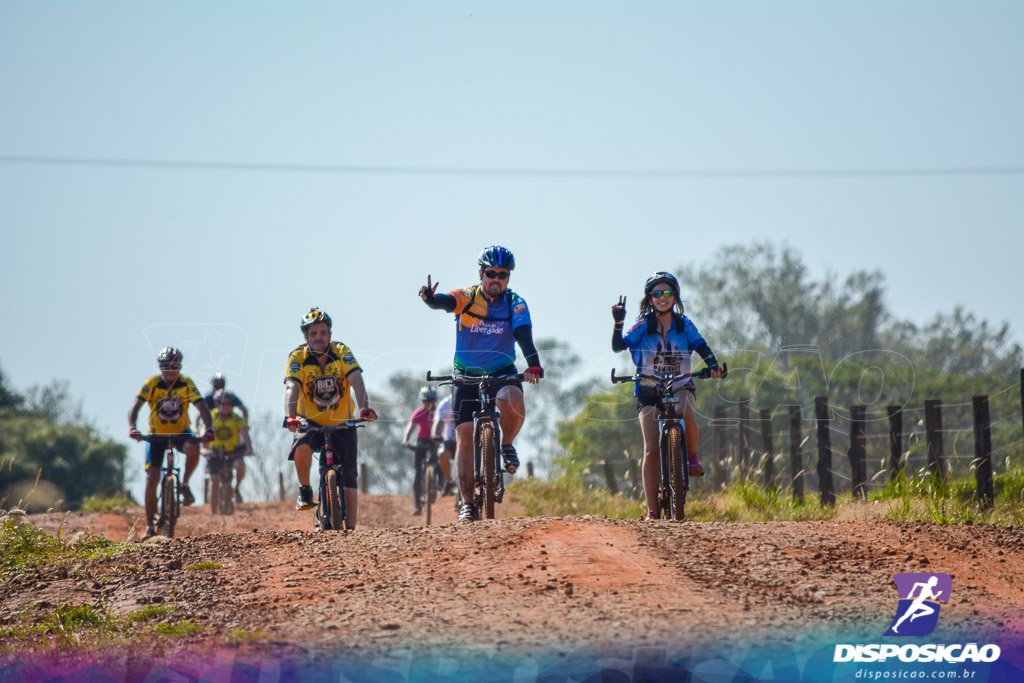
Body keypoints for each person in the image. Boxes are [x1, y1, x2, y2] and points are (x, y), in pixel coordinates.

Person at [419, 245, 543, 522]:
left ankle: (507, 444)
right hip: (465, 375)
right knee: (463, 434)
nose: (496, 279)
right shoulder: (467, 296)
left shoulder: (516, 303)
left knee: (512, 397)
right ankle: (467, 503)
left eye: (503, 274)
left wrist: (533, 364)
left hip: (502, 371)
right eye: (491, 273)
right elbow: (445, 302)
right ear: (481, 273)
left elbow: (524, 335)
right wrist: (430, 299)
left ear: (508, 277)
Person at [611, 272, 725, 521]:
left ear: (675, 296)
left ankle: (692, 456)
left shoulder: (684, 324)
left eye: (667, 293)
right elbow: (619, 346)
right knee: (651, 448)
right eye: (657, 294)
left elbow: (702, 346)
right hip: (648, 390)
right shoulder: (642, 326)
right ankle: (652, 510)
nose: (662, 298)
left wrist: (714, 366)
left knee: (686, 409)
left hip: (680, 384)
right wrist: (618, 322)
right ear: (650, 299)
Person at [284, 308, 377, 527]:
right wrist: (290, 417)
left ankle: (351, 528)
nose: (319, 337)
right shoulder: (298, 357)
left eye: (323, 332)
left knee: (350, 475)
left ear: (330, 335)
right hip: (310, 421)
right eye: (313, 333)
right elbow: (291, 387)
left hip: (342, 422)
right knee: (301, 446)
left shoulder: (342, 351)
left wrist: (365, 408)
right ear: (306, 337)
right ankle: (305, 490)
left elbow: (357, 381)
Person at [129, 347, 215, 539]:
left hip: (181, 434)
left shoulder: (186, 383)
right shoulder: (152, 384)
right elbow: (135, 406)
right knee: (151, 479)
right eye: (166, 366)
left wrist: (209, 429)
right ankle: (150, 527)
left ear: (180, 366)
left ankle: (184, 484)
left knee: (194, 448)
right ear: (160, 367)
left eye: (175, 366)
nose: (171, 370)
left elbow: (202, 406)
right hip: (156, 436)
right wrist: (133, 427)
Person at [205, 389, 251, 506]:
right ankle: (214, 510)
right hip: (215, 452)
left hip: (233, 451)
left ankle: (236, 488)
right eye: (222, 403)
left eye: (229, 403)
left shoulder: (237, 418)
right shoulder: (210, 417)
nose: (226, 406)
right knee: (215, 481)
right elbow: (204, 433)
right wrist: (204, 448)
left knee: (240, 465)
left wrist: (249, 447)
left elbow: (244, 433)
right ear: (217, 404)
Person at [401, 386, 438, 515]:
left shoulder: (439, 412)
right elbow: (410, 427)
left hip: (435, 442)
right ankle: (417, 505)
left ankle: (440, 486)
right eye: (426, 401)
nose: (429, 404)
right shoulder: (418, 412)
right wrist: (405, 440)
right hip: (421, 442)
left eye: (431, 401)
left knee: (439, 463)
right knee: (417, 474)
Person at [431, 390, 458, 496]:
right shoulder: (446, 403)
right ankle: (450, 482)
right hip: (450, 442)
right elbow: (438, 421)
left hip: (469, 441)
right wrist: (435, 435)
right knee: (441, 454)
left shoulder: (473, 401)